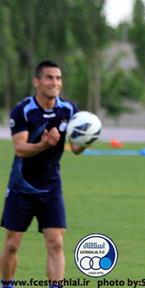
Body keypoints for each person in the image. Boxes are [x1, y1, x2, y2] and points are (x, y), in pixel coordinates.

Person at [0, 60, 86, 287]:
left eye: (58, 78)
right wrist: (44, 144)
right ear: (37, 82)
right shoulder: (23, 111)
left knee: (56, 243)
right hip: (22, 185)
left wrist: (87, 139)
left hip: (51, 185)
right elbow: (20, 148)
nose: (54, 82)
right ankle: (6, 284)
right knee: (11, 244)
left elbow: (76, 149)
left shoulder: (68, 110)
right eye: (49, 77)